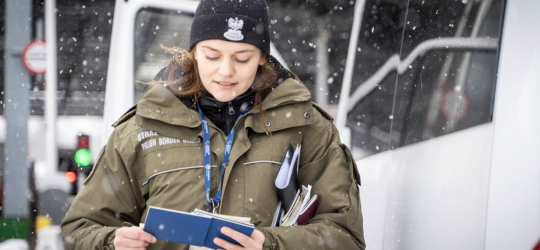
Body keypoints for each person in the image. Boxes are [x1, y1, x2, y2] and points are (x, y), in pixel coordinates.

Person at [61, 0, 365, 249]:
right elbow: (80, 229)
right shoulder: (140, 129)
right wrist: (111, 242)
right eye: (212, 55)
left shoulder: (306, 127)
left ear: (262, 57)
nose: (226, 71)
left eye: (242, 58)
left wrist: (271, 245)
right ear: (194, 53)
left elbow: (346, 237)